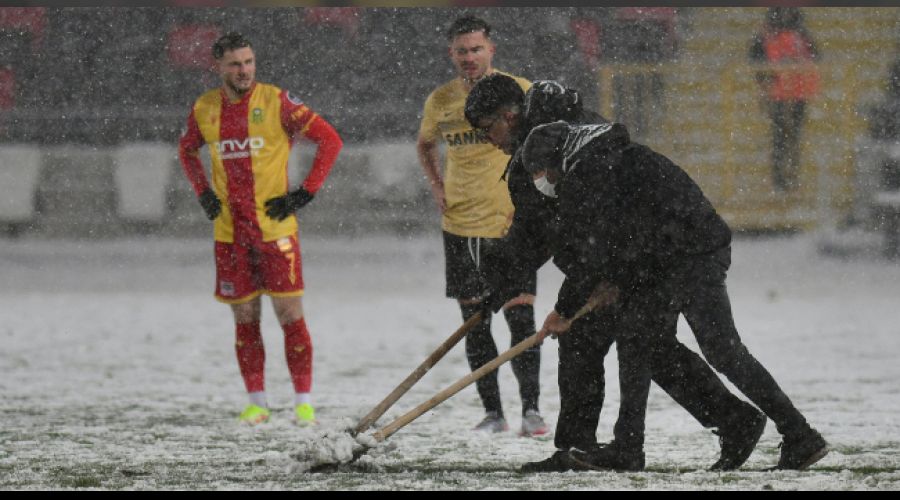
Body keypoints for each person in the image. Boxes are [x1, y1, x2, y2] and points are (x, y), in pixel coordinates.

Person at [466, 75, 765, 473]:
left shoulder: (546, 148)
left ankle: (728, 423)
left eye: (489, 128)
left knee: (633, 348)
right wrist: (499, 286)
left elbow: (553, 230)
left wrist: (580, 290)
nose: (490, 139)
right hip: (608, 263)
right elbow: (538, 235)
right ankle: (727, 421)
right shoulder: (554, 135)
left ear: (510, 114)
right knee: (627, 349)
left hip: (624, 262)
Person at [517, 118, 828, 471]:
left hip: (681, 257)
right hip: (687, 249)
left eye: (544, 172)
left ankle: (629, 449)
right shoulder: (606, 154)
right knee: (709, 349)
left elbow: (596, 249)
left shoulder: (587, 172)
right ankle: (794, 433)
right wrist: (606, 281)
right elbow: (621, 235)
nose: (545, 182)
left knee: (646, 342)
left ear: (558, 160)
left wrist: (563, 311)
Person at [178, 32, 343, 426]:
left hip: (275, 231)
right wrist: (203, 192)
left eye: (249, 62)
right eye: (235, 64)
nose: (244, 70)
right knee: (245, 319)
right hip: (229, 234)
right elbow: (186, 149)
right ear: (217, 66)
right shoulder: (204, 108)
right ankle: (257, 403)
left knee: (290, 315)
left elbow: (330, 140)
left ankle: (303, 402)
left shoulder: (276, 101)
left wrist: (304, 193)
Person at [416, 15, 548, 437]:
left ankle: (532, 410)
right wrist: (437, 186)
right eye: (462, 51)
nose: (469, 57)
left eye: (476, 49)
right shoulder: (441, 101)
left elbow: (542, 142)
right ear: (450, 55)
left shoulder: (518, 91)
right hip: (461, 224)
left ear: (492, 50)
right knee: (474, 321)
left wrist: (532, 194)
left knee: (521, 317)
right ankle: (493, 413)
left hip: (511, 222)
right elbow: (424, 145)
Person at [750, 7, 820, 193]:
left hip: (796, 90)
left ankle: (789, 178)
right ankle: (781, 180)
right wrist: (765, 84)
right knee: (781, 137)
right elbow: (756, 59)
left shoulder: (798, 33)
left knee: (791, 136)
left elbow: (815, 57)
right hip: (780, 90)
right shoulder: (769, 34)